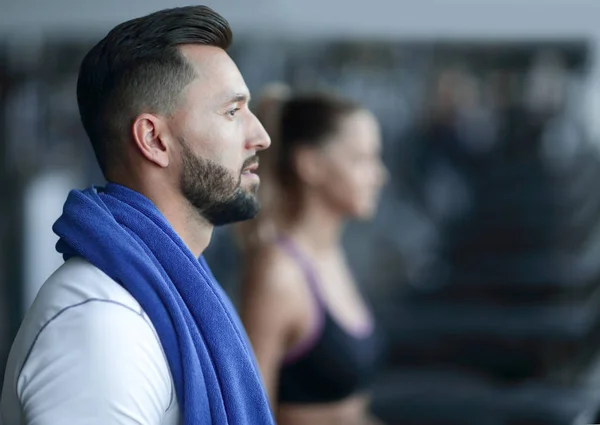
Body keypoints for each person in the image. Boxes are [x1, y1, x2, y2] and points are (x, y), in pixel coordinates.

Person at [0, 6, 275, 425]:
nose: (261, 136)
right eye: (232, 111)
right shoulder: (102, 325)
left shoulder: (168, 295)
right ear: (153, 139)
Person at [239, 90, 388, 425]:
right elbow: (250, 415)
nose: (379, 175)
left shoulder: (329, 251)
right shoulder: (278, 273)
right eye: (361, 160)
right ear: (311, 164)